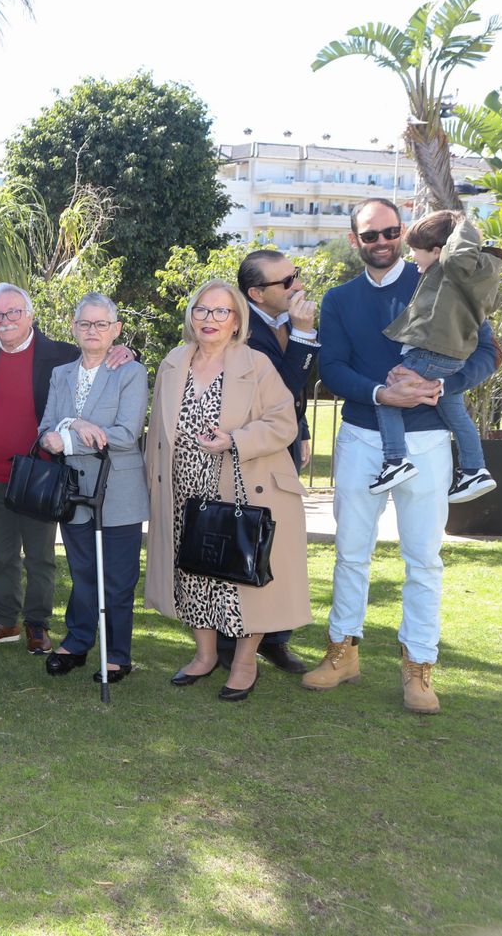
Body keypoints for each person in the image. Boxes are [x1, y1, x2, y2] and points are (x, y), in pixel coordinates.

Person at [309, 198, 498, 715]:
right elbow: (333, 367)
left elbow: (486, 351)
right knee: (351, 553)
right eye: (370, 235)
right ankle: (342, 651)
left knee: (424, 560)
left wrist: (443, 386)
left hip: (429, 440)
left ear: (404, 232)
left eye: (390, 231)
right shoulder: (340, 299)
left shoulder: (444, 277)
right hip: (361, 437)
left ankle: (418, 666)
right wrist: (381, 394)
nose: (382, 242)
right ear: (355, 240)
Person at [144, 280, 310, 702]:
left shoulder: (256, 364)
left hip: (241, 488)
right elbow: (157, 433)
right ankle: (204, 655)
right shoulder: (173, 361)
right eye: (202, 310)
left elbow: (283, 422)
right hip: (184, 490)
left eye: (221, 311)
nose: (210, 319)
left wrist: (235, 440)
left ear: (237, 320)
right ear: (191, 315)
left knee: (241, 577)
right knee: (193, 573)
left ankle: (244, 662)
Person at [0, 282, 79, 654]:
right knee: (1, 554)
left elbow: (100, 355)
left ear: (30, 314)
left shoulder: (60, 354)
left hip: (39, 477)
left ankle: (37, 624)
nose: (5, 320)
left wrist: (126, 351)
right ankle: (5, 620)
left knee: (40, 557)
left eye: (13, 312)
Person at [36, 294, 148, 684]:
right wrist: (68, 426)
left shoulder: (131, 373)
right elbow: (45, 429)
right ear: (74, 327)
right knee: (83, 573)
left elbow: (125, 434)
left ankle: (116, 653)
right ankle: (78, 642)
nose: (93, 330)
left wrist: (68, 436)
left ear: (116, 329)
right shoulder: (61, 374)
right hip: (72, 491)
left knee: (117, 578)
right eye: (85, 323)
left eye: (101, 324)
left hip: (119, 489)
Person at [224, 250, 321, 675]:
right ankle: (231, 640)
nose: (297, 285)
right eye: (286, 282)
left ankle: (275, 639)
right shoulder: (242, 331)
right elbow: (281, 386)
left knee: (280, 545)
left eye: (295, 275)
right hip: (249, 451)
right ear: (256, 294)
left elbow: (295, 396)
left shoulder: (288, 322)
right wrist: (304, 334)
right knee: (245, 540)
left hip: (284, 444)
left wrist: (302, 430)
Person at [376, 210, 502, 502]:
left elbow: (456, 253)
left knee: (389, 397)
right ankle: (474, 470)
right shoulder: (463, 279)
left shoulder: (453, 268)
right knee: (456, 414)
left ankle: (395, 460)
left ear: (438, 251)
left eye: (415, 250)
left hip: (431, 354)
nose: (411, 257)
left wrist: (462, 223)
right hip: (449, 358)